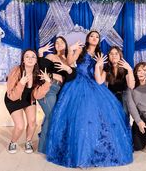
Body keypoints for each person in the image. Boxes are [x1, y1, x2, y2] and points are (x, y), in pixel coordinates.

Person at [45, 31, 133, 168]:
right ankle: (79, 156)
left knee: (95, 119)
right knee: (80, 118)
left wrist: (98, 65)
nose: (94, 38)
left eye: (97, 37)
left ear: (99, 40)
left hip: (93, 85)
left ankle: (92, 151)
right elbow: (69, 62)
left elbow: (99, 79)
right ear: (88, 38)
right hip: (77, 84)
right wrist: (72, 49)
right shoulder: (81, 49)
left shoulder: (100, 56)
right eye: (92, 36)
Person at [4, 49, 52, 154]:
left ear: (36, 60)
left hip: (28, 99)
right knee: (20, 126)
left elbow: (36, 95)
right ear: (23, 60)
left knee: (32, 122)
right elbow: (12, 96)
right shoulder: (16, 71)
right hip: (13, 99)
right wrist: (21, 83)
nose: (30, 59)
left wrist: (47, 83)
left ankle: (28, 141)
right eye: (27, 56)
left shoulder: (38, 73)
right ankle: (13, 142)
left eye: (33, 57)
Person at [37, 36, 76, 154]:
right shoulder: (51, 56)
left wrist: (67, 68)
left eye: (61, 42)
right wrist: (40, 53)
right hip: (50, 88)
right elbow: (40, 69)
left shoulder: (69, 60)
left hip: (62, 91)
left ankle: (55, 146)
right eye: (56, 42)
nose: (58, 44)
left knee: (57, 118)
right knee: (52, 117)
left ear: (66, 44)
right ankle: (44, 148)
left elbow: (72, 77)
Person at [106, 46, 135, 114]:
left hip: (123, 97)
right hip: (111, 97)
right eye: (111, 54)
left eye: (116, 53)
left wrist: (130, 70)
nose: (114, 56)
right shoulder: (107, 69)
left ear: (120, 55)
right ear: (108, 56)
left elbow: (131, 86)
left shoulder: (126, 68)